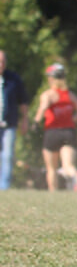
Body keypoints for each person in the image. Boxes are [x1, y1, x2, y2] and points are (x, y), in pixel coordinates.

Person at [32, 62, 77, 191]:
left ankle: (53, 193)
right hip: (69, 132)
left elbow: (43, 107)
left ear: (50, 78)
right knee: (68, 165)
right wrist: (72, 119)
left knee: (52, 168)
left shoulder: (48, 95)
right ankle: (76, 176)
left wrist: (36, 121)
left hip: (52, 133)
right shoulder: (70, 95)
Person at [0, 50, 30, 190]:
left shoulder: (13, 79)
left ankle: (3, 187)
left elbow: (23, 101)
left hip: (9, 124)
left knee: (7, 155)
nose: (1, 64)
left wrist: (25, 120)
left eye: (2, 61)